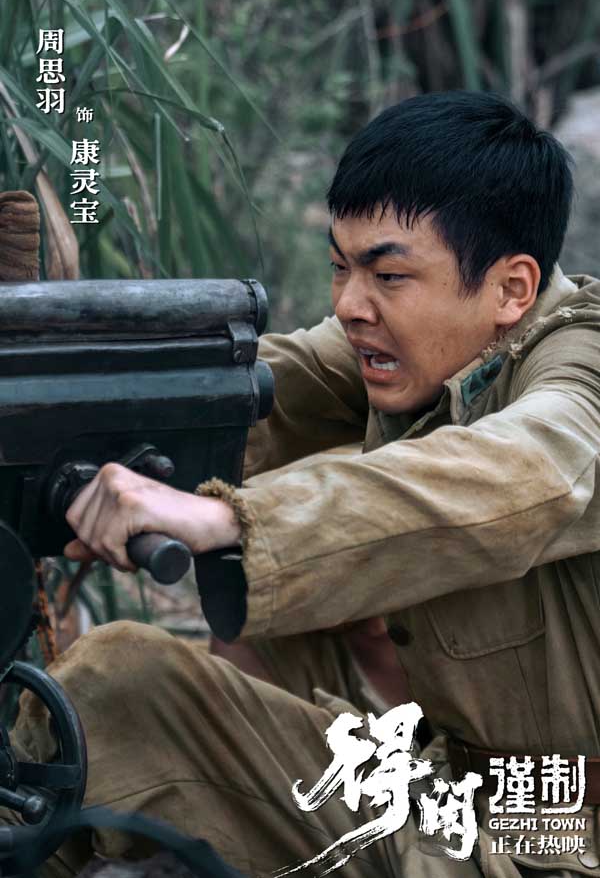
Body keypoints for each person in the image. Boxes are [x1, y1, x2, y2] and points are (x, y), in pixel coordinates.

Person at [12, 90, 600, 878]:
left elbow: (521, 470)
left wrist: (229, 520)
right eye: (339, 267)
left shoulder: (582, 373)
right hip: (440, 791)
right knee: (114, 694)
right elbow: (243, 395)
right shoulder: (426, 342)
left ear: (511, 290)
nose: (350, 305)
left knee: (117, 685)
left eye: (388, 274)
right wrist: (53, 419)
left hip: (558, 845)